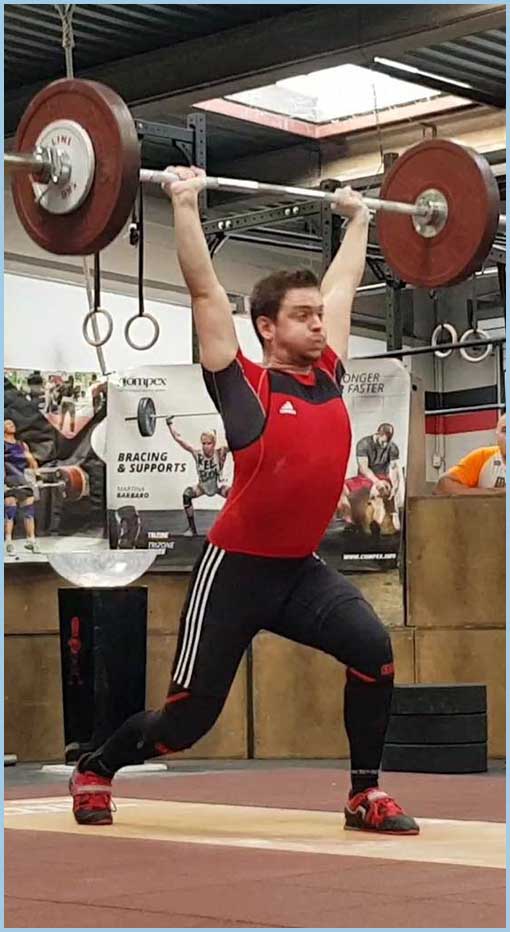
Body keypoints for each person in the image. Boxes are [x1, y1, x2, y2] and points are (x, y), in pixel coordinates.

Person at [70, 165, 418, 836]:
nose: (319, 325)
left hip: (298, 572)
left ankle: (363, 793)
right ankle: (97, 768)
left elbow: (344, 286)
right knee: (185, 722)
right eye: (302, 317)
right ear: (266, 327)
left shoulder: (331, 372)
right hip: (234, 573)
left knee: (373, 651)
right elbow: (204, 289)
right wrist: (184, 202)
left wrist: (359, 220)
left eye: (319, 316)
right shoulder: (246, 388)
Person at [166, 418, 230, 536]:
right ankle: (192, 529)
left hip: (217, 487)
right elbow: (179, 439)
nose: (206, 446)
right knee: (187, 495)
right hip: (202, 487)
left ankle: (232, 527)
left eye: (209, 443)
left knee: (234, 495)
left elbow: (239, 443)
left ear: (214, 444)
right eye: (203, 443)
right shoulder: (197, 454)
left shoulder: (221, 452)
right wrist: (169, 425)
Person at [435, 412, 506, 495]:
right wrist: (495, 494)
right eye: (505, 430)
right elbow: (443, 485)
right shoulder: (483, 457)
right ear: (496, 435)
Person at [4, 418, 40, 553]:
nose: (11, 425)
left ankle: (31, 541)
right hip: (9, 479)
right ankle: (8, 542)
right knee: (10, 512)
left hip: (23, 480)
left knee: (29, 511)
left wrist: (36, 474)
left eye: (12, 423)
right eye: (7, 424)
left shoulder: (22, 444)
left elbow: (31, 460)